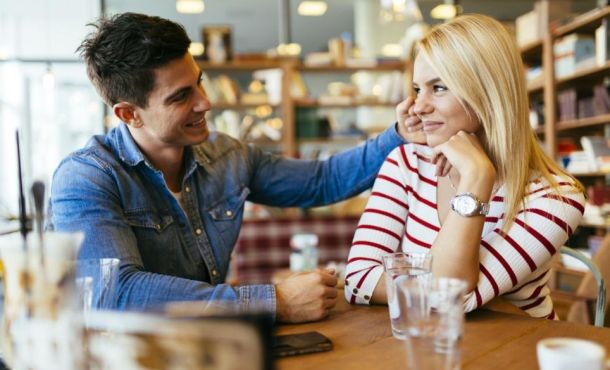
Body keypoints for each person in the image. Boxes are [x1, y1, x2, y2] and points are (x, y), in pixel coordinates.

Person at [47, 12, 422, 323]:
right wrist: (273, 302)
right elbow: (115, 294)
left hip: (208, 351)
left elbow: (322, 181)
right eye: (181, 97)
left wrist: (398, 134)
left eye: (199, 84)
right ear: (129, 114)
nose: (205, 103)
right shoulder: (86, 178)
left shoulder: (227, 156)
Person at [344, 14, 586, 319]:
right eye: (418, 89)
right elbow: (358, 281)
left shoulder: (557, 198)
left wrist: (476, 177)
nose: (419, 106)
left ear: (487, 92)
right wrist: (434, 291)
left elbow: (453, 296)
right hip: (428, 349)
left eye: (439, 87)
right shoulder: (406, 163)